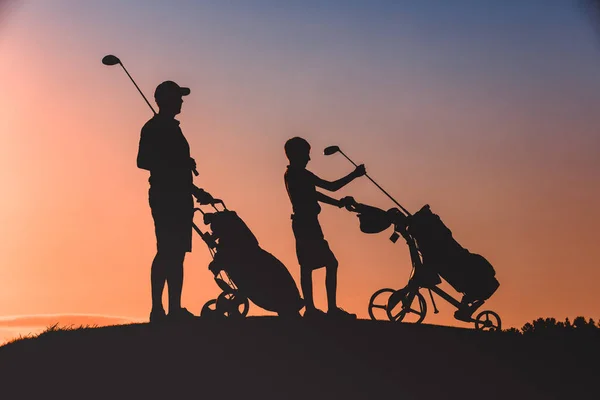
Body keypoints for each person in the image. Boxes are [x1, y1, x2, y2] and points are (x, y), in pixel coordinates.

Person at [137, 80, 212, 323]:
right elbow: (143, 160)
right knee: (166, 250)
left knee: (177, 253)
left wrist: (194, 189)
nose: (181, 101)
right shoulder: (154, 127)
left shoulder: (173, 128)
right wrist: (175, 161)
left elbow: (178, 168)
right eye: (178, 97)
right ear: (166, 100)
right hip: (164, 196)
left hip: (180, 195)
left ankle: (174, 309)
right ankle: (158, 309)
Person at [283, 137, 366, 319]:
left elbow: (314, 193)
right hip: (307, 224)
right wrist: (355, 174)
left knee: (308, 266)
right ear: (298, 155)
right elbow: (331, 187)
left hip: (304, 223)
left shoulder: (292, 175)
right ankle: (327, 309)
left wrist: (337, 204)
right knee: (328, 263)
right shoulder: (301, 175)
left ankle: (312, 309)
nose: (309, 159)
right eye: (306, 155)